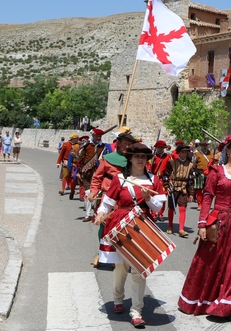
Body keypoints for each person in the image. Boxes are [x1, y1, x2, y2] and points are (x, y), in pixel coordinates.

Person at [178, 134, 231, 325]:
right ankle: (203, 301)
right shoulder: (216, 172)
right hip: (219, 222)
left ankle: (229, 306)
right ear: (227, 151)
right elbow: (207, 197)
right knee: (210, 263)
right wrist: (202, 223)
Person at [94, 142, 166, 329]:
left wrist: (148, 198)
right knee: (120, 267)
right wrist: (101, 213)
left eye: (143, 156)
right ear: (130, 159)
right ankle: (118, 299)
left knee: (139, 270)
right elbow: (108, 203)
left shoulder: (154, 180)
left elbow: (158, 208)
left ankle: (136, 311)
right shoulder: (120, 179)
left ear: (147, 159)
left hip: (142, 226)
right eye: (136, 156)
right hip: (121, 225)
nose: (140, 159)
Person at [88, 131, 137, 267]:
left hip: (124, 199)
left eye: (129, 144)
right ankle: (101, 252)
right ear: (119, 143)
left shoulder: (134, 160)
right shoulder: (108, 158)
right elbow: (97, 177)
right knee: (104, 225)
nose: (127, 146)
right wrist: (93, 191)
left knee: (121, 228)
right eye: (125, 143)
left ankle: (117, 254)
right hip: (107, 197)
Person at [163, 142, 195, 237]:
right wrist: (167, 187)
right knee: (171, 208)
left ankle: (181, 229)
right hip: (173, 187)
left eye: (186, 152)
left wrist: (192, 193)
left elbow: (191, 180)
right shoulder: (172, 163)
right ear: (178, 153)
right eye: (182, 152)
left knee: (183, 208)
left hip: (184, 188)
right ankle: (170, 226)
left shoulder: (190, 165)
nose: (184, 154)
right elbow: (166, 175)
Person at [193, 140, 213, 206]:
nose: (204, 146)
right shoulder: (197, 153)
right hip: (199, 172)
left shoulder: (211, 154)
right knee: (199, 189)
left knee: (207, 189)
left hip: (208, 173)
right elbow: (194, 163)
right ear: (201, 146)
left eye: (205, 145)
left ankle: (205, 203)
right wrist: (194, 171)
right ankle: (199, 204)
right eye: (203, 145)